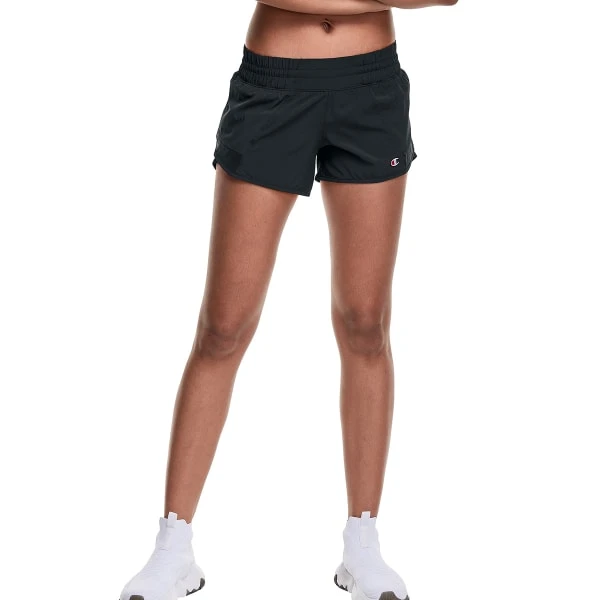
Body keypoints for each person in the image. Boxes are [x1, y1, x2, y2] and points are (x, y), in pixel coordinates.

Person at [119, 1, 458, 599]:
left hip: (371, 85)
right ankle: (173, 547)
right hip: (274, 83)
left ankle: (363, 543)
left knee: (365, 324)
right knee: (223, 327)